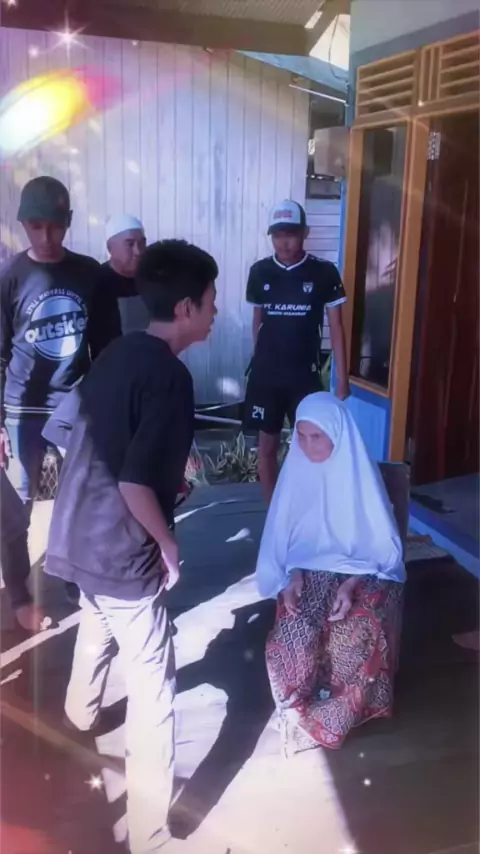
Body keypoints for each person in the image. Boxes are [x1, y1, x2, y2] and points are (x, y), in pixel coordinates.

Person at [43, 239, 218, 854]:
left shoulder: (116, 352)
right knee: (153, 687)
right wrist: (167, 546)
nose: (216, 312)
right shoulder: (170, 378)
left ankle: (79, 716)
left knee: (96, 623)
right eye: (212, 300)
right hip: (123, 550)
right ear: (188, 307)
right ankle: (150, 833)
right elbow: (135, 483)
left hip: (74, 534)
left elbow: (61, 428)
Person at [256, 392, 405, 753]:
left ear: (337, 434)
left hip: (366, 571)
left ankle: (331, 716)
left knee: (353, 631)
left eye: (317, 437)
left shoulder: (357, 474)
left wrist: (351, 584)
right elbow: (285, 540)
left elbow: (382, 550)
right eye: (301, 436)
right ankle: (297, 706)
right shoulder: (296, 472)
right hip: (309, 568)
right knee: (290, 634)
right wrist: (292, 576)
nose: (308, 447)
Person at [0, 176, 121, 614]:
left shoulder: (90, 274)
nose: (47, 236)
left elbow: (107, 348)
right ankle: (19, 595)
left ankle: (75, 584)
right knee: (16, 507)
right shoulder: (9, 277)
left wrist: (108, 409)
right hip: (20, 408)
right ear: (23, 224)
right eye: (37, 226)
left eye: (55, 226)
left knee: (81, 500)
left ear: (68, 222)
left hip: (75, 405)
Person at [243, 199, 350, 503]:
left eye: (290, 234)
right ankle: (274, 514)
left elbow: (337, 327)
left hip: (305, 377)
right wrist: (260, 364)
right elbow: (257, 323)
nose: (284, 242)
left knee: (313, 447)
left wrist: (342, 379)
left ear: (305, 233)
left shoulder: (324, 272)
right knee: (267, 447)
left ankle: (310, 510)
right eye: (277, 235)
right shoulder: (260, 271)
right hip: (267, 377)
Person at [99, 213, 150, 334]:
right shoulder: (97, 282)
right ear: (110, 248)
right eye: (130, 244)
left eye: (142, 244)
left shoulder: (153, 278)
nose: (138, 252)